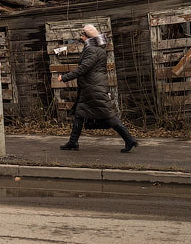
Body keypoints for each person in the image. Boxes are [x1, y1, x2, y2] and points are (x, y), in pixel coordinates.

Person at [59, 24, 138, 152]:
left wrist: (64, 77)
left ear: (87, 37)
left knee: (107, 115)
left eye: (82, 35)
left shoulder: (92, 50)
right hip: (91, 86)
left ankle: (129, 139)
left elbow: (83, 68)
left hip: (93, 87)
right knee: (80, 113)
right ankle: (73, 142)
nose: (81, 38)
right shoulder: (97, 48)